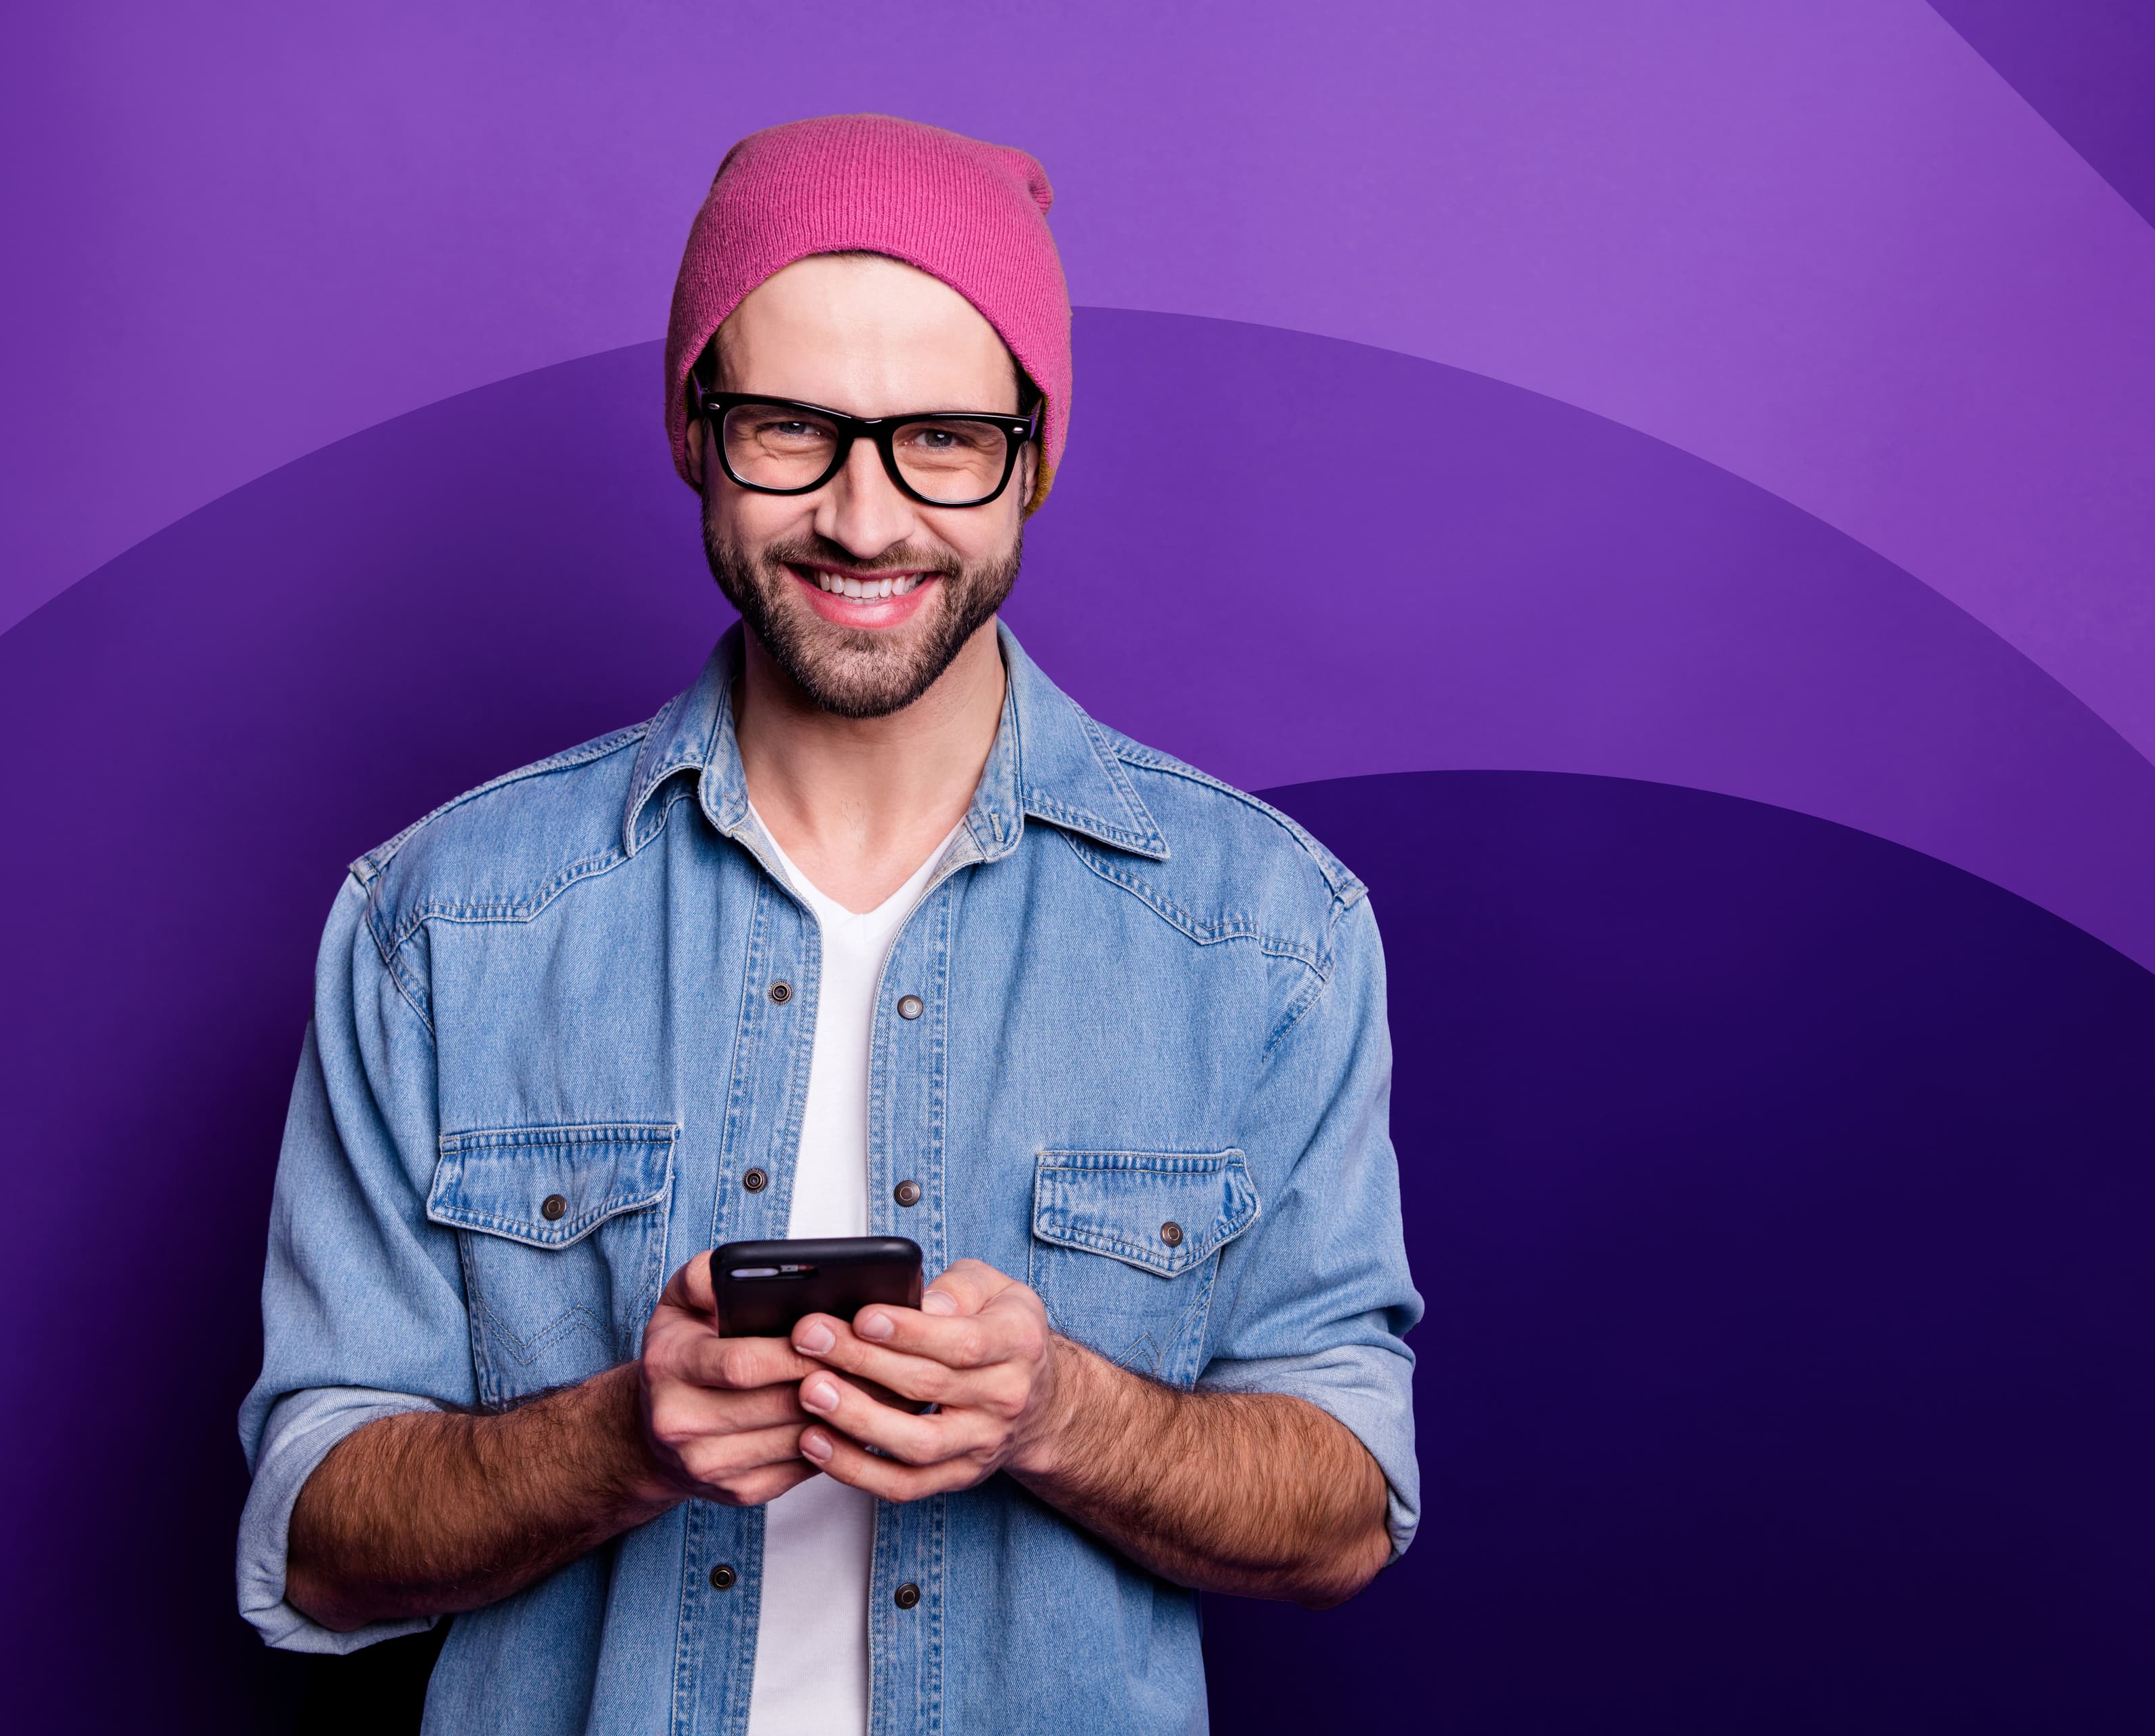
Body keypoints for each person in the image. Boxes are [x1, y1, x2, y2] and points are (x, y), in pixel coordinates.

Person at [235, 113, 1420, 1735]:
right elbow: (314, 1534)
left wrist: (1058, 1410)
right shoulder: (439, 925)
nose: (865, 521)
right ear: (694, 432)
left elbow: (1349, 1501)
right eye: (793, 429)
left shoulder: (1268, 935)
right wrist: (618, 1442)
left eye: (942, 437)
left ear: (1038, 450)